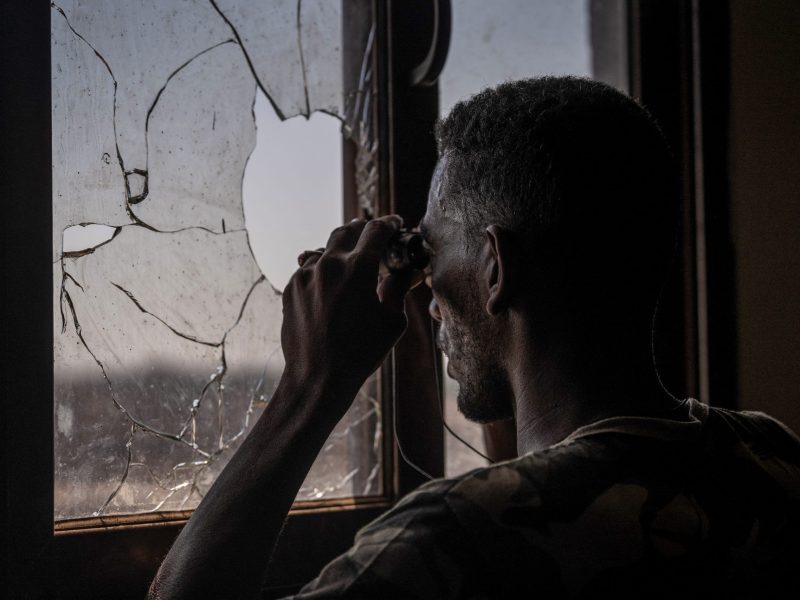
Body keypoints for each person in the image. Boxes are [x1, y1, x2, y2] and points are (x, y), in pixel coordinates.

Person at [148, 77, 800, 599]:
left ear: (494, 268)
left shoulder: (448, 541)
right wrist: (495, 356)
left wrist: (308, 386)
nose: (427, 296)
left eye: (429, 258)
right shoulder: (770, 456)